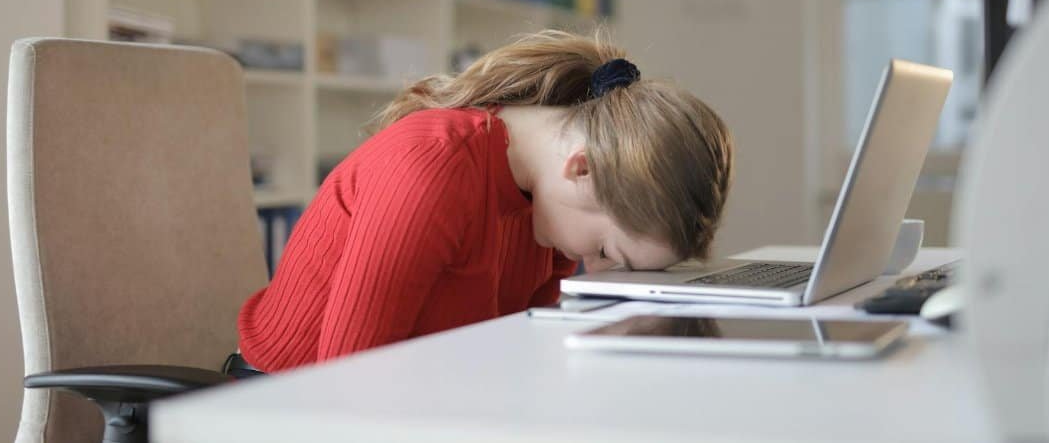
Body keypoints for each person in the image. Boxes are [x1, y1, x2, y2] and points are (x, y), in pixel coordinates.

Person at [235, 30, 734, 372]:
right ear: (582, 168)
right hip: (283, 403)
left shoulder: (550, 208)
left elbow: (514, 358)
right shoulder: (432, 168)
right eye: (607, 253)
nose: (597, 272)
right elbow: (348, 386)